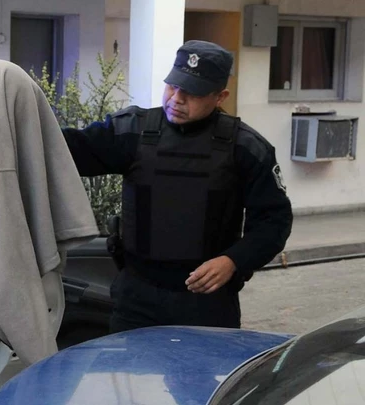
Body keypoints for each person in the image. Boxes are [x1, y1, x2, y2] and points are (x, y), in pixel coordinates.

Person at [62, 40, 293, 333]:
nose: (177, 99)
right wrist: (19, 120)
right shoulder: (132, 131)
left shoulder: (246, 148)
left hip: (206, 301)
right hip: (137, 298)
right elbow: (66, 151)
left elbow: (274, 222)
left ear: (220, 96)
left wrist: (233, 261)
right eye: (173, 86)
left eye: (192, 92)